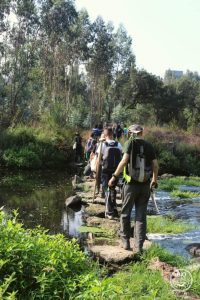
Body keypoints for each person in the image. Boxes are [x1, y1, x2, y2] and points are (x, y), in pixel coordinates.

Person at [108, 124, 159, 253]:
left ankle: (125, 242)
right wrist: (154, 179)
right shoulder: (149, 146)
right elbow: (155, 165)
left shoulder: (129, 143)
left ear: (131, 133)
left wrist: (114, 176)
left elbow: (124, 161)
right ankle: (139, 247)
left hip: (130, 185)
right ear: (142, 132)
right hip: (145, 186)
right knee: (141, 217)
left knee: (125, 213)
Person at [97, 127, 122, 219]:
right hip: (116, 171)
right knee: (112, 189)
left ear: (105, 134)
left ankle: (109, 212)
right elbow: (122, 157)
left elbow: (99, 159)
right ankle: (114, 209)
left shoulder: (102, 144)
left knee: (106, 189)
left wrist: (97, 171)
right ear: (112, 134)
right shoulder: (118, 144)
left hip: (106, 171)